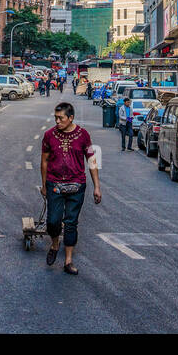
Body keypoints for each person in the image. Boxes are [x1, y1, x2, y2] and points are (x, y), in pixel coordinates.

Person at [40, 102, 101, 275]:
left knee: (71, 223)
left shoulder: (83, 135)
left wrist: (97, 186)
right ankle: (54, 243)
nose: (57, 121)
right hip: (55, 185)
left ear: (71, 118)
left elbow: (92, 160)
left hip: (77, 185)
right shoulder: (49, 135)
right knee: (53, 221)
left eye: (61, 118)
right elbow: (44, 161)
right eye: (56, 118)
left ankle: (68, 261)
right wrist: (44, 185)